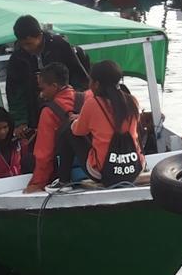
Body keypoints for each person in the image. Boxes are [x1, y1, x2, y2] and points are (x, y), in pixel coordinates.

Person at [48, 60, 144, 193]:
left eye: (90, 81)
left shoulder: (93, 103)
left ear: (97, 84)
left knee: (68, 129)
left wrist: (79, 119)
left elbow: (78, 131)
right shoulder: (132, 101)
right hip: (134, 168)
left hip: (103, 172)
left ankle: (64, 181)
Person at [6, 15, 89, 137]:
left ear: (39, 36)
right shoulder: (17, 58)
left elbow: (79, 77)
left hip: (69, 110)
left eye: (29, 43)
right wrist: (20, 121)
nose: (26, 48)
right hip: (36, 112)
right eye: (22, 44)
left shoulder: (60, 46)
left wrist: (76, 105)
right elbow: (15, 93)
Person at [23, 63, 80, 193]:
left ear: (54, 86)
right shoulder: (88, 99)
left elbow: (44, 153)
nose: (41, 94)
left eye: (42, 89)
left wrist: (37, 184)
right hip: (95, 170)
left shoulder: (49, 112)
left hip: (68, 175)